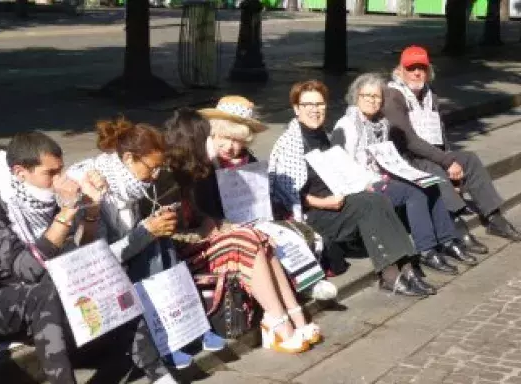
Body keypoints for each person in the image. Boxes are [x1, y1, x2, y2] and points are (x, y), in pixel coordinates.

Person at [0, 132, 178, 384]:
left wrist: (92, 210)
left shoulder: (39, 194)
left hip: (24, 287)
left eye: (60, 170)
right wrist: (66, 212)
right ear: (20, 173)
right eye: (50, 173)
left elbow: (84, 252)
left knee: (106, 276)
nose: (59, 180)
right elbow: (28, 270)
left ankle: (157, 372)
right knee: (46, 294)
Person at [158, 103, 329, 354]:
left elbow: (201, 214)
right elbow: (171, 232)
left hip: (204, 238)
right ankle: (279, 322)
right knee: (247, 240)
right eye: (210, 137)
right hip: (186, 250)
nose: (215, 143)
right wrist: (208, 229)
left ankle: (295, 316)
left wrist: (215, 224)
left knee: (258, 236)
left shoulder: (197, 169)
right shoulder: (166, 176)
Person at [66, 119, 229, 368]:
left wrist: (152, 227)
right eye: (151, 168)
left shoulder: (131, 183)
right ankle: (165, 336)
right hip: (102, 275)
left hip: (130, 260)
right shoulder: (96, 188)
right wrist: (146, 231)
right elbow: (98, 259)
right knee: (152, 241)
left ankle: (189, 323)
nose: (155, 176)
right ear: (129, 158)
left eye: (159, 168)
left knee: (160, 239)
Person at [269, 80, 436, 297]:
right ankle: (390, 274)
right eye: (308, 105)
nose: (315, 110)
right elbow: (286, 197)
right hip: (314, 213)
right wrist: (323, 202)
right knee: (368, 205)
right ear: (296, 108)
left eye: (320, 104)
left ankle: (407, 267)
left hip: (338, 202)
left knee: (377, 198)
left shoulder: (323, 137)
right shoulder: (289, 143)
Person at [331, 73, 477, 275]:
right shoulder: (346, 125)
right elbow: (340, 164)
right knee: (414, 193)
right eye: (367, 96)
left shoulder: (381, 123)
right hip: (362, 186)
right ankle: (426, 249)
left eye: (377, 97)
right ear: (357, 97)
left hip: (384, 177)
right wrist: (369, 181)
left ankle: (446, 239)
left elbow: (389, 156)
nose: (373, 101)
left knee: (430, 184)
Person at [383, 45, 520, 246]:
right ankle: (455, 224)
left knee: (470, 160)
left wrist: (451, 161)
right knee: (434, 167)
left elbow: (439, 131)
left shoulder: (430, 93)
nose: (417, 73)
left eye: (421, 68)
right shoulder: (393, 96)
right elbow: (409, 140)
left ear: (428, 70)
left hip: (434, 154)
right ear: (400, 70)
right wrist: (447, 162)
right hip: (408, 158)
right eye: (411, 68)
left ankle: (494, 217)